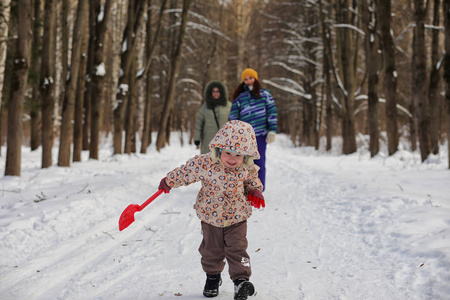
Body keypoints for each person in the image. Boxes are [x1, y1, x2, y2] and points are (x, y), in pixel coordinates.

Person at [158, 120, 265, 300]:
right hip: (210, 217)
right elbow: (186, 172)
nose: (232, 158)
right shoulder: (205, 163)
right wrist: (169, 181)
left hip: (237, 217)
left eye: (238, 155)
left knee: (238, 249)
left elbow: (252, 182)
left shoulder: (246, 169)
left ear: (246, 156)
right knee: (211, 251)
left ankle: (241, 282)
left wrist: (255, 190)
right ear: (219, 149)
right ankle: (213, 278)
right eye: (228, 152)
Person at [229, 68, 277, 191]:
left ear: (255, 78)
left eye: (250, 78)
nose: (249, 81)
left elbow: (272, 112)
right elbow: (233, 116)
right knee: (244, 163)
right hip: (244, 136)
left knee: (259, 162)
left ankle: (259, 189)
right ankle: (245, 187)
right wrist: (233, 132)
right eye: (246, 79)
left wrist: (272, 130)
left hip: (260, 135)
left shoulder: (265, 95)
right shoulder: (240, 98)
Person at [194, 81, 232, 154]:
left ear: (222, 92)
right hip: (208, 140)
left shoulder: (229, 106)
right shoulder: (205, 107)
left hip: (225, 140)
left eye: (218, 91)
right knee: (207, 160)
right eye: (213, 91)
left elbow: (233, 122)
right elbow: (199, 123)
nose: (216, 93)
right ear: (210, 93)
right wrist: (197, 138)